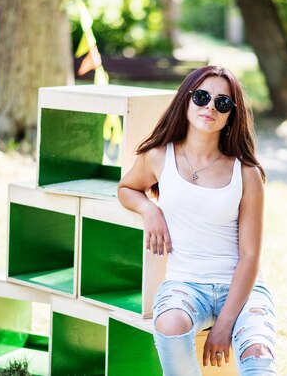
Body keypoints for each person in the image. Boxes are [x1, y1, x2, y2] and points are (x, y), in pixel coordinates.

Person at [117, 66, 276, 375]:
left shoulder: (246, 173)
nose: (210, 107)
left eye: (223, 103)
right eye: (202, 97)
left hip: (242, 287)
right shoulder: (158, 156)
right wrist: (150, 209)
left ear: (232, 114)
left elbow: (250, 256)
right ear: (186, 101)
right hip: (185, 284)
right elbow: (127, 188)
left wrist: (225, 324)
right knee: (169, 324)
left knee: (259, 352)